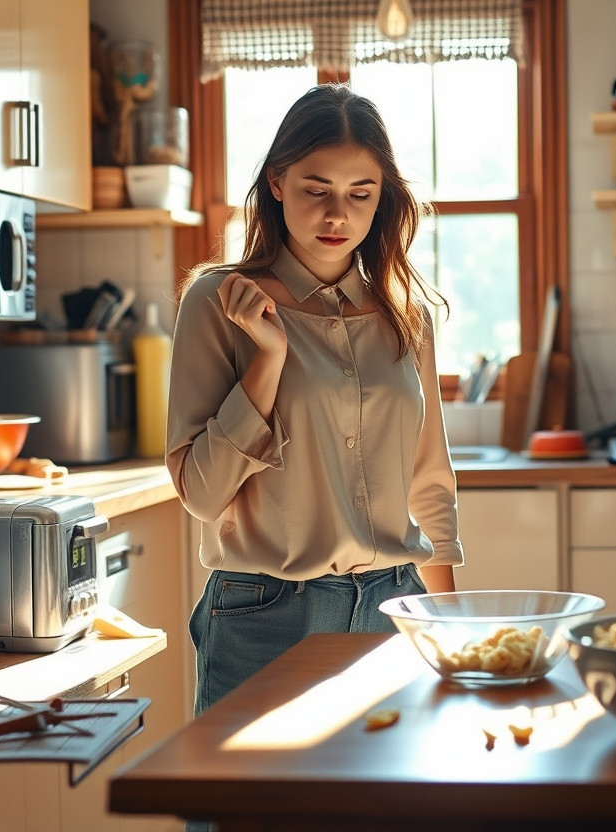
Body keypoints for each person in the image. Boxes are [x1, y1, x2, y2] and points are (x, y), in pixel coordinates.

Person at [167, 83, 461, 716]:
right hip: (265, 616)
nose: (337, 216)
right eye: (316, 189)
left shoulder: (405, 313)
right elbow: (201, 494)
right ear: (277, 182)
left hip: (393, 608)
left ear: (383, 198)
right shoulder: (217, 302)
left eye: (361, 194)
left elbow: (429, 478)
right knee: (246, 786)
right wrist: (267, 361)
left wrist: (447, 623)